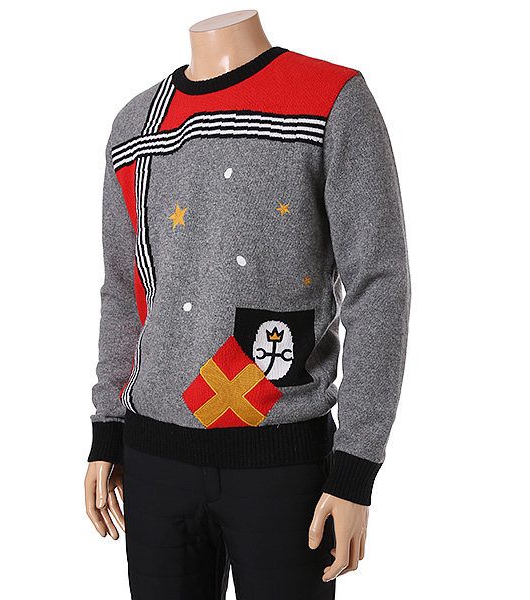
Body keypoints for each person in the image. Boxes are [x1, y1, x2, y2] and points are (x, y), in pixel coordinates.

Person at [84, 9, 411, 600]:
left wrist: (356, 465)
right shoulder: (135, 125)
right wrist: (107, 427)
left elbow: (378, 284)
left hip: (281, 459)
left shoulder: (330, 99)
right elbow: (122, 289)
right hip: (152, 459)